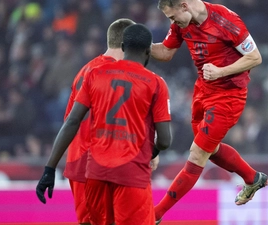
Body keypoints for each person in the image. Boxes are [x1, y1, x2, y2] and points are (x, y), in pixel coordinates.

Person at [37, 23, 172, 225]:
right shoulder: (153, 82)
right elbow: (164, 139)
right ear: (147, 51)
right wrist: (149, 152)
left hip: (93, 168)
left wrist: (50, 168)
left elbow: (72, 120)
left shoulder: (93, 72)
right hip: (120, 166)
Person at [151, 0, 268, 223]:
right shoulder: (181, 23)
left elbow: (255, 58)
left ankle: (155, 214)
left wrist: (221, 71)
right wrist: (139, 45)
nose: (172, 22)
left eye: (172, 17)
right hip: (202, 90)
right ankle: (253, 178)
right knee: (209, 149)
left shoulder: (226, 20)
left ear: (184, 6)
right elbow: (166, 52)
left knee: (197, 153)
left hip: (228, 96)